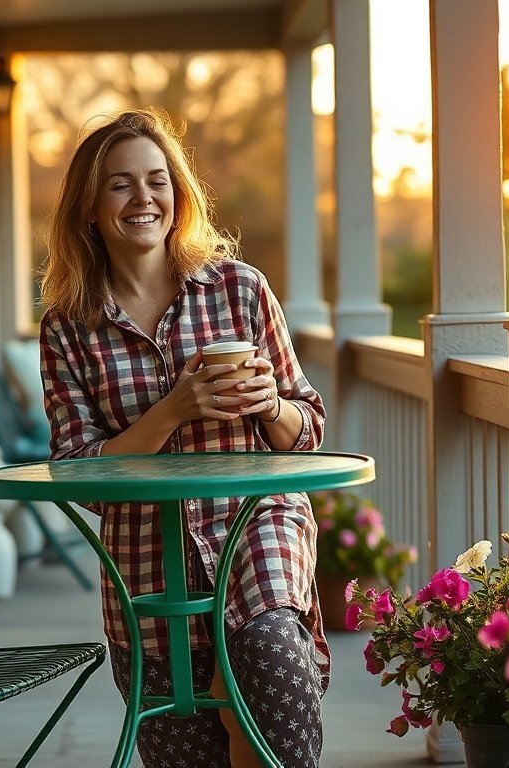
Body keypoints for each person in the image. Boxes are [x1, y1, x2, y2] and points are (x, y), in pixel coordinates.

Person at [38, 109, 328, 768]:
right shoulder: (69, 327)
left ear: (178, 193)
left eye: (157, 179)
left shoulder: (241, 290)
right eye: (119, 184)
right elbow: (79, 471)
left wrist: (270, 405)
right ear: (89, 206)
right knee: (185, 748)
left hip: (257, 520)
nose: (143, 198)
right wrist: (172, 410)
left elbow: (307, 428)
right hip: (145, 553)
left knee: (269, 649)